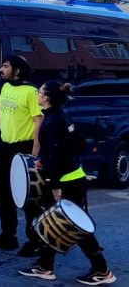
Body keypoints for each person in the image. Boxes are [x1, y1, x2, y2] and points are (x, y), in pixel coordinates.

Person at [17, 81, 116, 285]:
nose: (37, 94)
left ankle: (102, 270)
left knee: (74, 227)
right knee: (49, 222)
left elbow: (58, 157)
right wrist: (50, 161)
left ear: (46, 98)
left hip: (65, 182)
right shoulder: (61, 116)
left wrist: (55, 185)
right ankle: (45, 266)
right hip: (70, 177)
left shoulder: (53, 121)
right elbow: (79, 143)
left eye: (39, 92)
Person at [0, 55, 44, 254]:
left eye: (5, 66)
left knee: (28, 195)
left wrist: (35, 151)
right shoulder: (6, 87)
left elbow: (38, 121)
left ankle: (34, 240)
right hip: (6, 147)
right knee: (3, 192)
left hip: (25, 147)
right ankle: (8, 235)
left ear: (17, 70)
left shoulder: (31, 92)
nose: (1, 69)